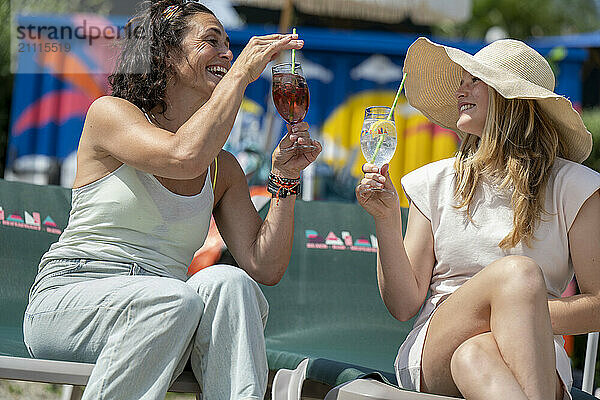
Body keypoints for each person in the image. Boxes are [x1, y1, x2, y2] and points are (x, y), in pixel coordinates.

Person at [22, 1, 321, 399]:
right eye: (210, 42)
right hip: (72, 299)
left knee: (231, 282)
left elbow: (264, 266)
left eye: (229, 46)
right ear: (165, 56)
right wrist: (242, 76)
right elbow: (182, 156)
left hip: (166, 312)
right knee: (172, 299)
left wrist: (285, 179)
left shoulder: (222, 168)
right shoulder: (111, 115)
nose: (227, 55)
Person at [356, 36, 600, 400]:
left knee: (476, 356)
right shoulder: (433, 181)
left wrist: (519, 311)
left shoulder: (577, 186)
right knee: (519, 274)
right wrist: (387, 221)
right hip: (436, 346)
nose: (461, 88)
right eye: (462, 79)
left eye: (476, 80)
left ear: (511, 99)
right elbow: (404, 304)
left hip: (530, 353)